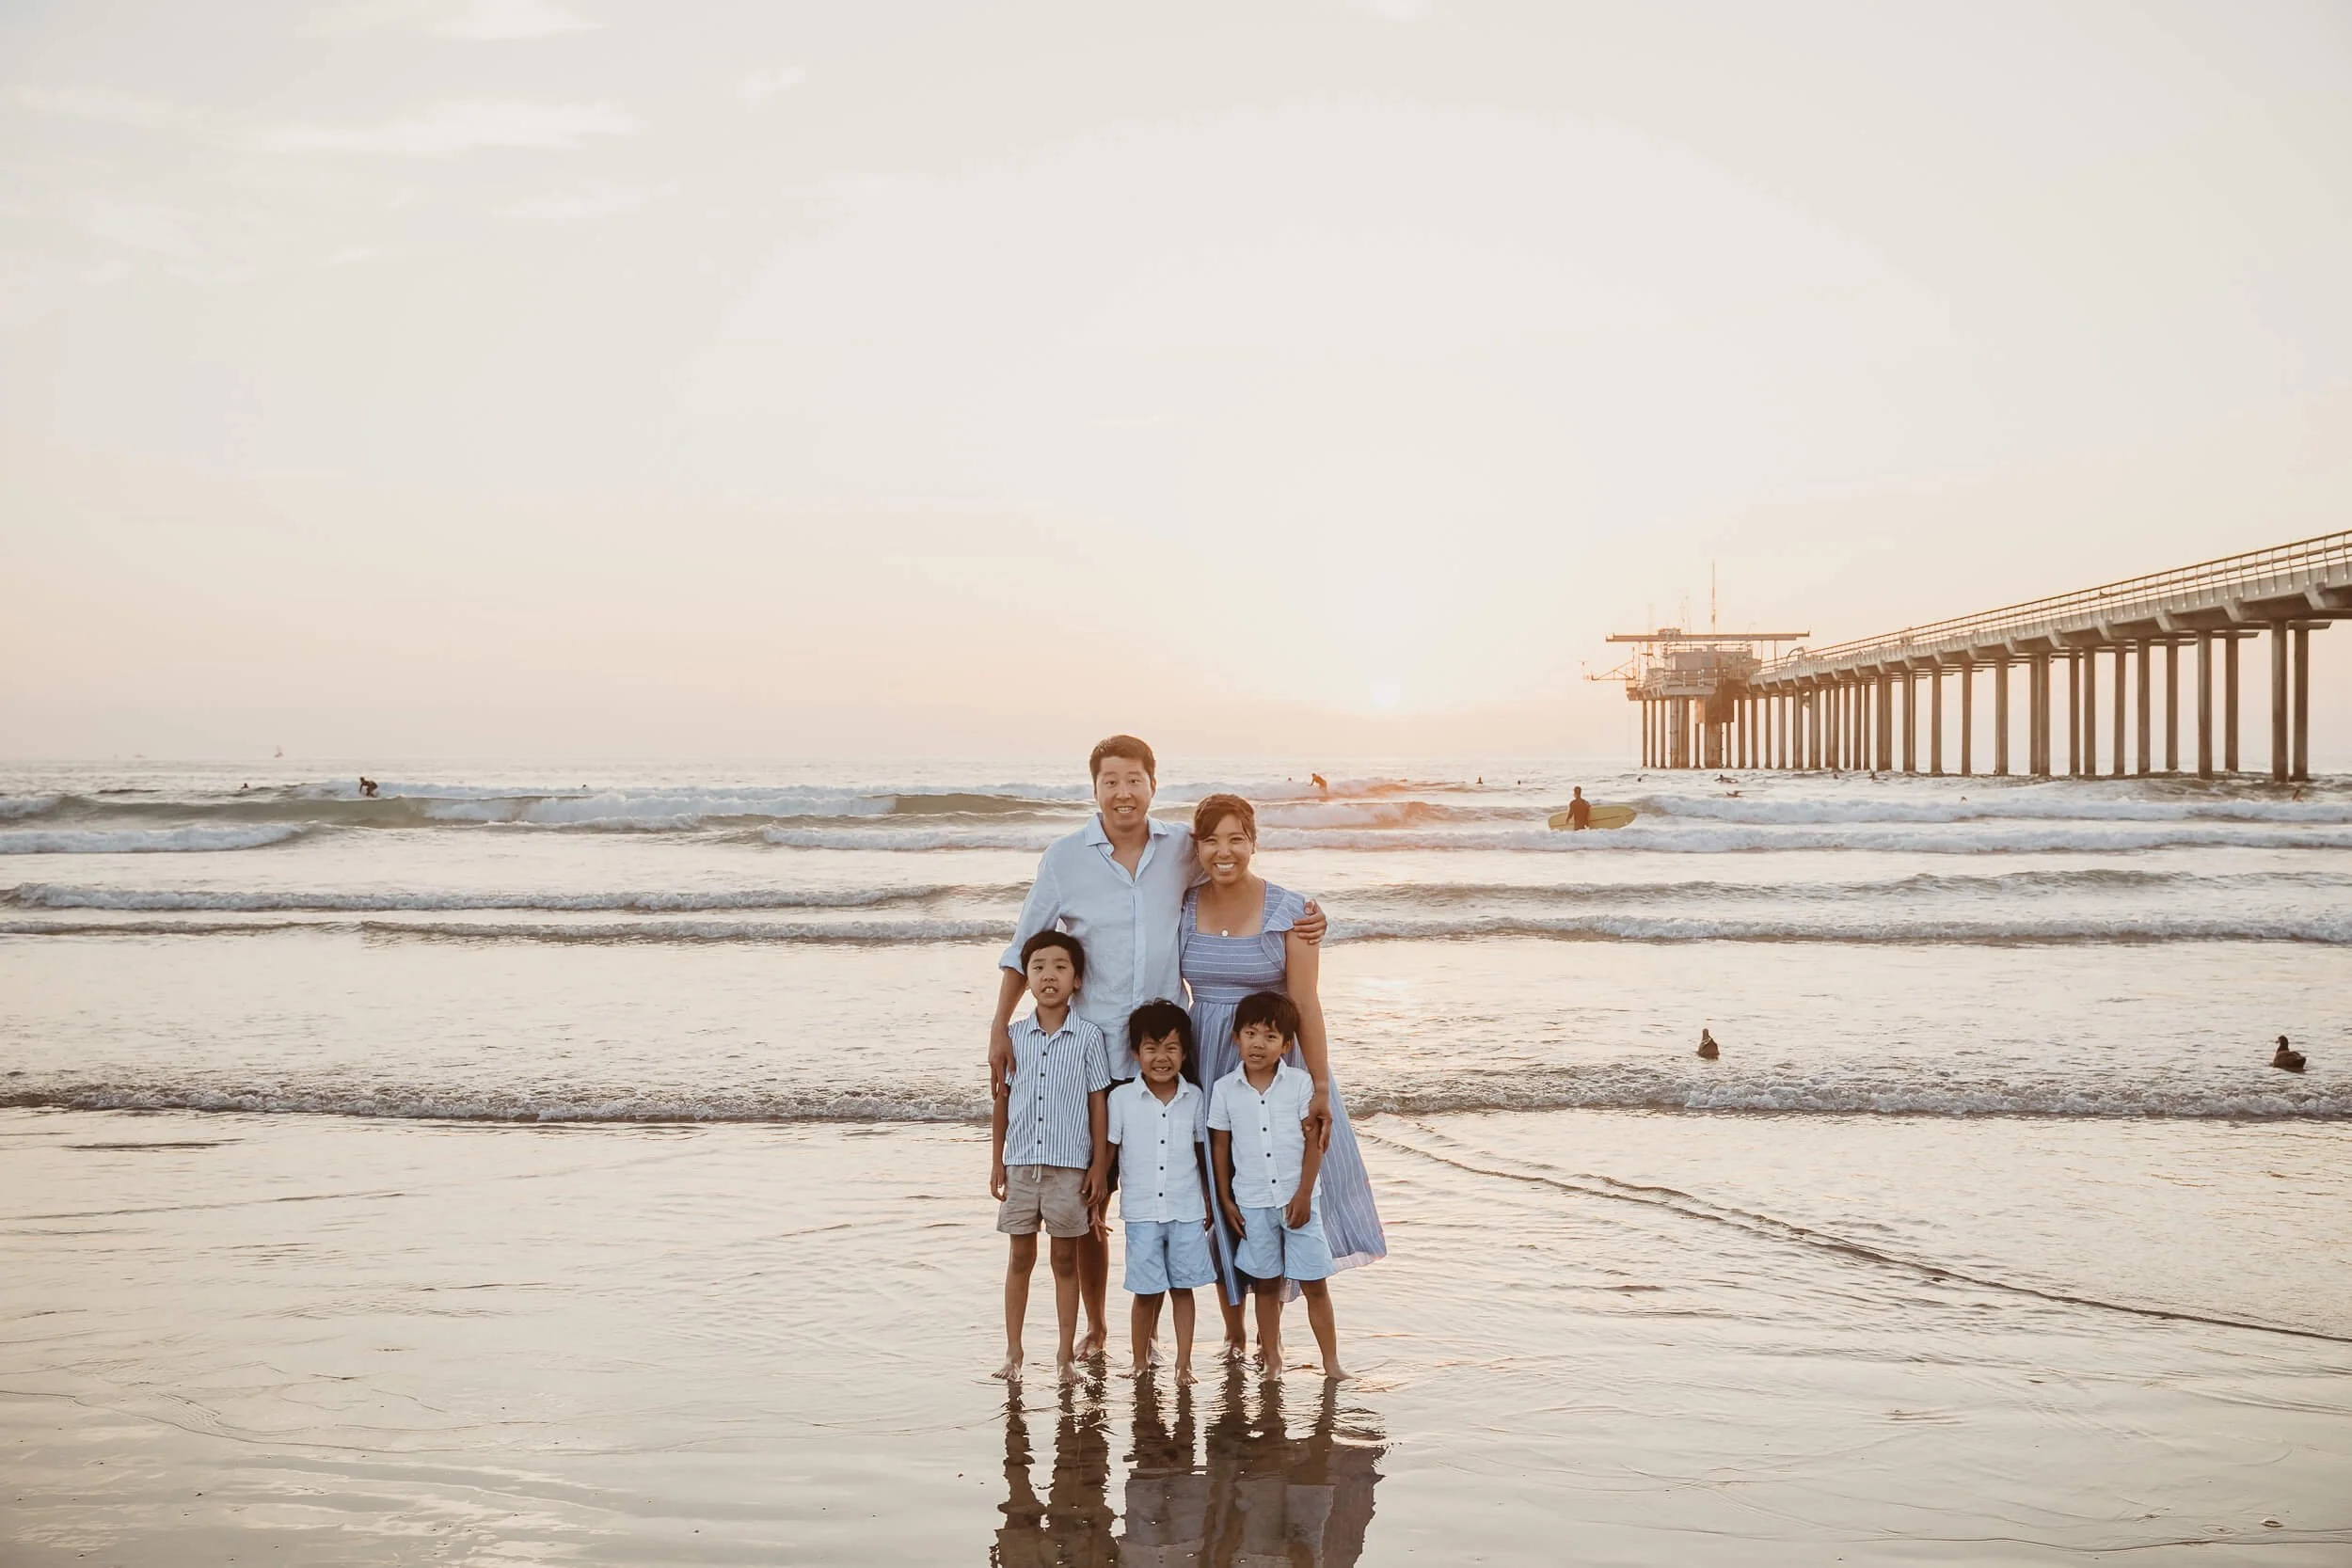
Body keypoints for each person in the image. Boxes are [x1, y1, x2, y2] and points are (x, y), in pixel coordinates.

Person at [991, 737, 1326, 1360]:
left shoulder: (1181, 849)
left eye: (1135, 779)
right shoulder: (1064, 859)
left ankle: (1229, 1327)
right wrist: (998, 1028)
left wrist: (1307, 913)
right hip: (1095, 1059)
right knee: (1096, 1198)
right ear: (1094, 789)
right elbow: (1023, 945)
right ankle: (1098, 1325)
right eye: (1111, 781)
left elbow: (1238, 872)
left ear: (1153, 784)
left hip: (1173, 1052)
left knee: (1199, 1186)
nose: (1123, 792)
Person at [1182, 793, 1383, 1361]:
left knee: (1290, 1188)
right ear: (1196, 847)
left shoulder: (1290, 911)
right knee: (1219, 1194)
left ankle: (1302, 1342)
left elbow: (1307, 1003)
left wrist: (1318, 1086)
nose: (1224, 852)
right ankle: (1236, 1332)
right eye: (1211, 840)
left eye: (1236, 838)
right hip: (1211, 1065)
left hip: (1278, 1062)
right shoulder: (1183, 906)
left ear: (1254, 841)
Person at [991, 930, 1111, 1385]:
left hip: (1069, 1169)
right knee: (1020, 1258)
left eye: (1060, 967)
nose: (1049, 976)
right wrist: (996, 1160)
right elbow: (1000, 1101)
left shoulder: (1088, 1037)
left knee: (1065, 1261)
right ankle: (1014, 1352)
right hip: (1021, 1164)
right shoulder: (1014, 1038)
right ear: (1026, 979)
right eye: (1038, 967)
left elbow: (1098, 1103)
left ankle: (1065, 1355)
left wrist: (1099, 1165)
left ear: (1077, 980)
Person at [1209, 991, 1344, 1380]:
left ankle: (1331, 1363)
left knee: (1314, 1283)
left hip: (1298, 1200)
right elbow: (1221, 1145)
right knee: (1265, 1285)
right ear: (1236, 1037)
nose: (1258, 1043)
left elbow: (1314, 1143)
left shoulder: (1301, 1085)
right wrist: (1223, 1197)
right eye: (1250, 1033)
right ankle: (1271, 1360)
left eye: (1270, 1037)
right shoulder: (1224, 1089)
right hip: (1251, 1200)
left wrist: (1303, 1193)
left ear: (1287, 1044)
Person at [1109, 1000, 1215, 1384]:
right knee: (1146, 1291)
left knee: (1183, 1289)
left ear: (1184, 1052)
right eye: (1151, 1048)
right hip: (1141, 1211)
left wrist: (1208, 1198)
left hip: (1186, 1208)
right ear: (1135, 1052)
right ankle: (1139, 1361)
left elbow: (1203, 1153)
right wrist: (1098, 1198)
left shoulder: (1195, 1098)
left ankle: (1183, 1364)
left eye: (1171, 1048)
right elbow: (1109, 1154)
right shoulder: (1121, 1100)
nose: (1161, 1057)